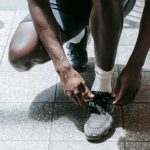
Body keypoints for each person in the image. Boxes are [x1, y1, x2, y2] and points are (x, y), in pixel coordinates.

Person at [8, 0, 150, 141]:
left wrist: (136, 64)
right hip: (65, 5)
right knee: (20, 55)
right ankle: (78, 35)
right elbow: (37, 3)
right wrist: (63, 68)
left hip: (111, 4)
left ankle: (102, 90)